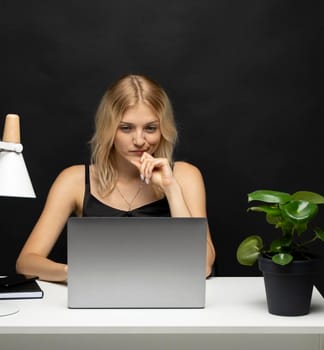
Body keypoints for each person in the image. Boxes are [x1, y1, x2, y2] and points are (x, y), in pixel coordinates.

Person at [16, 74, 215, 282]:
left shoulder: (185, 176)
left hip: (172, 303)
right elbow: (26, 263)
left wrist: (171, 190)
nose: (139, 140)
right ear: (108, 129)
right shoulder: (74, 180)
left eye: (150, 128)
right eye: (126, 128)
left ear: (163, 129)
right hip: (98, 302)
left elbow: (202, 266)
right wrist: (76, 272)